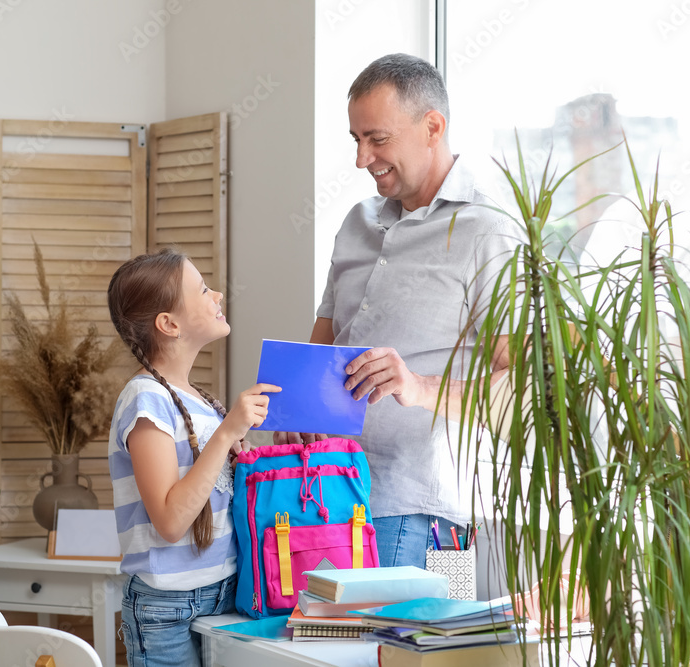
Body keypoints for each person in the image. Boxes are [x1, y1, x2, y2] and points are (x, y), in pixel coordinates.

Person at [276, 53, 521, 568]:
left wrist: (418, 386)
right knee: (334, 649)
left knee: (423, 648)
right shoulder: (357, 222)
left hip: (432, 519)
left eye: (377, 139)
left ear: (433, 126)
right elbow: (324, 339)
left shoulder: (489, 231)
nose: (362, 159)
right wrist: (296, 411)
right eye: (356, 140)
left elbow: (518, 386)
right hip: (324, 497)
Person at [107, 249, 280, 667]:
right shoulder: (145, 398)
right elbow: (170, 521)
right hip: (167, 608)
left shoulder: (201, 402)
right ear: (169, 324)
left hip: (225, 592)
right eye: (203, 289)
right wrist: (226, 435)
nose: (218, 293)